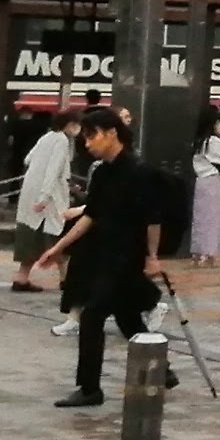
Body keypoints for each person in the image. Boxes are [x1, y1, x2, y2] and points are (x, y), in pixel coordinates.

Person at [32, 107, 167, 405]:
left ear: (112, 133)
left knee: (92, 315)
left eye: (92, 136)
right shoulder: (104, 173)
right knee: (127, 317)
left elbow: (153, 219)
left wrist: (152, 256)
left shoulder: (140, 172)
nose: (87, 143)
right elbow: (91, 216)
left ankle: (90, 388)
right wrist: (58, 247)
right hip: (104, 253)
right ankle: (162, 371)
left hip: (128, 256)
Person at [10, 108, 80, 291]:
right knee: (56, 236)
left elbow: (28, 159)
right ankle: (66, 279)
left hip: (31, 192)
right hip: (49, 197)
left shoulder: (46, 137)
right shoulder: (62, 141)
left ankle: (23, 278)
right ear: (70, 124)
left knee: (34, 236)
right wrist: (44, 196)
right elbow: (53, 171)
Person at [187, 107, 220, 265]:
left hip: (200, 180)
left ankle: (198, 251)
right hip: (212, 180)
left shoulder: (198, 141)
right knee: (212, 217)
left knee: (201, 217)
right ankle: (208, 252)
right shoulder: (212, 142)